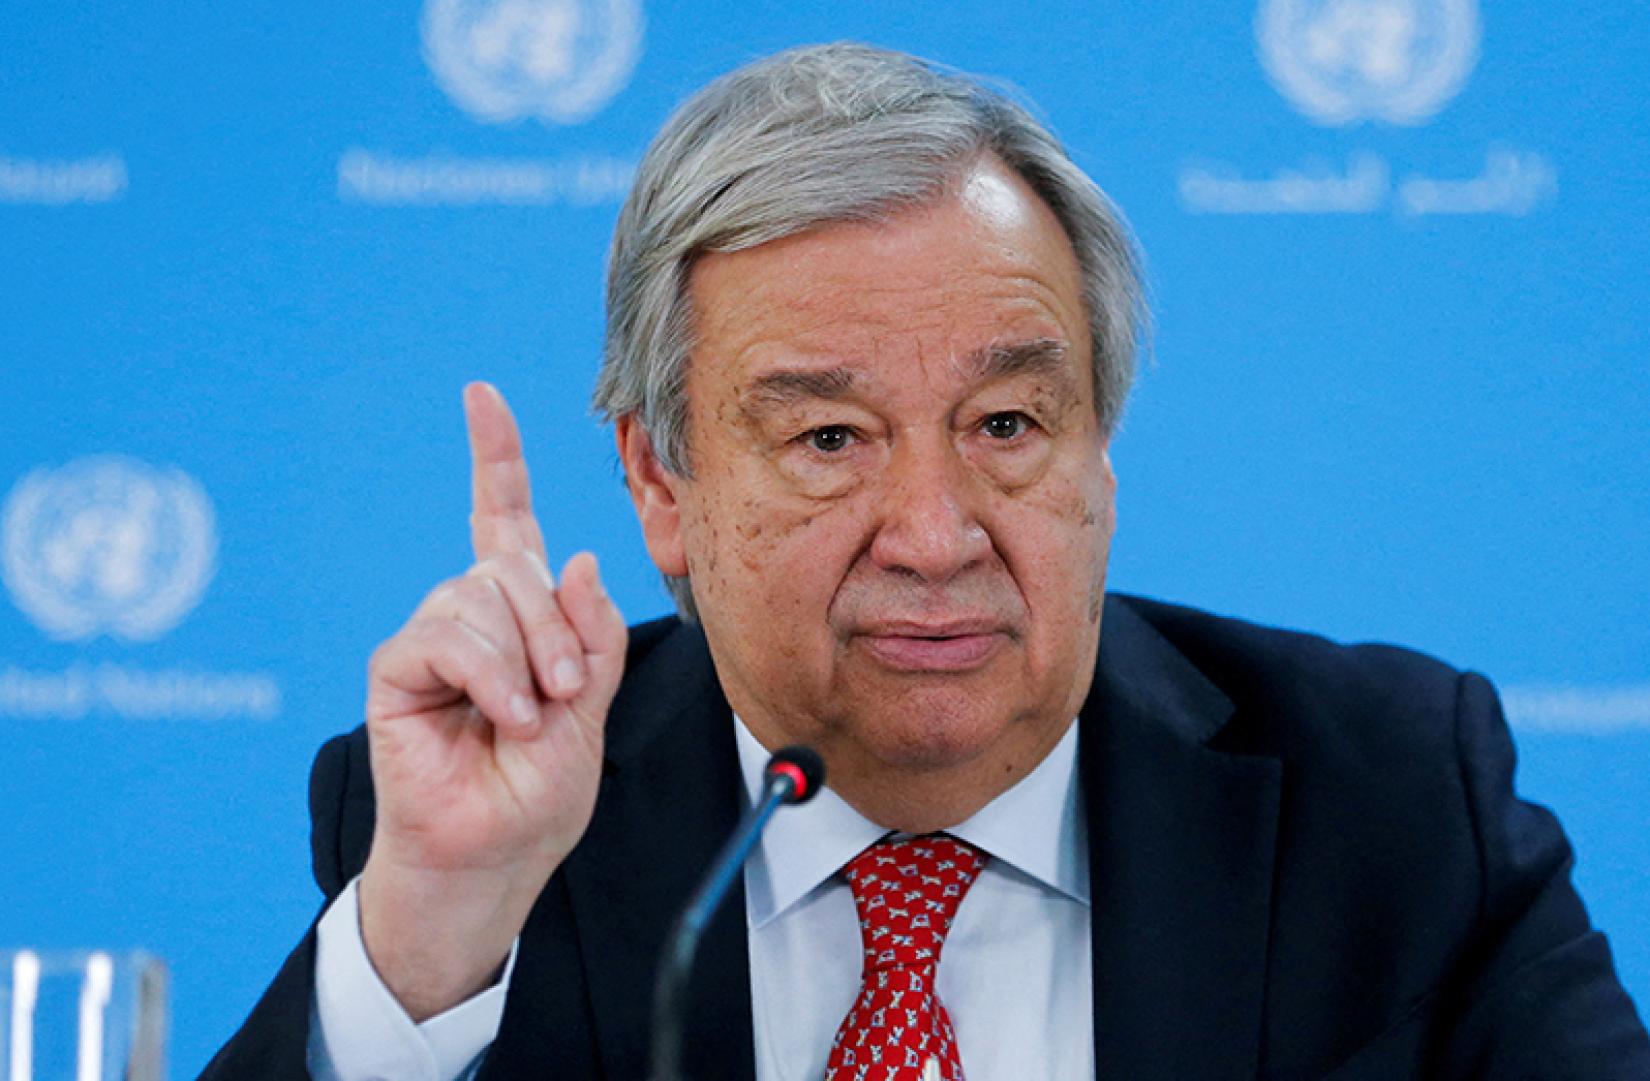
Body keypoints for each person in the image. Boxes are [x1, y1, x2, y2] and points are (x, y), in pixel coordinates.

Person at [204, 42, 1649, 1080]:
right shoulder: (510, 831)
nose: (937, 533)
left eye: (1007, 422)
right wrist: (427, 940)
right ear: (661, 478)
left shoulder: (1390, 795)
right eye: (829, 438)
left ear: (1098, 450)